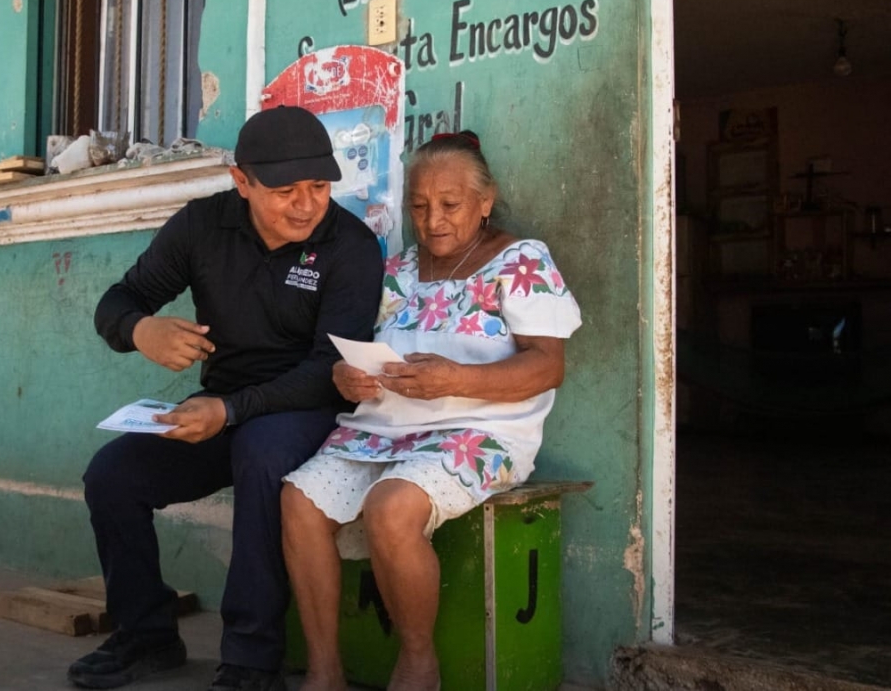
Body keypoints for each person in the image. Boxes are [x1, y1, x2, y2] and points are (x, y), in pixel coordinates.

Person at [71, 105, 384, 691]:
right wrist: (142, 330)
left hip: (306, 410)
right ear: (241, 182)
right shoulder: (201, 227)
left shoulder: (350, 247)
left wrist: (231, 411)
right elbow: (119, 300)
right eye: (285, 190)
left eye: (319, 187)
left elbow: (328, 368)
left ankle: (250, 659)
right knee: (111, 475)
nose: (307, 204)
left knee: (261, 454)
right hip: (221, 409)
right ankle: (146, 634)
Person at [281, 131, 582, 691]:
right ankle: (325, 670)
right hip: (384, 426)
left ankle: (418, 661)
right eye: (419, 206)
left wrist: (457, 379)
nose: (433, 219)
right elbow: (368, 359)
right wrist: (349, 378)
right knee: (298, 500)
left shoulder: (522, 261)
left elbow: (547, 366)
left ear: (485, 201)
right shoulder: (396, 272)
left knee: (390, 508)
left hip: (481, 430)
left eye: (450, 205)